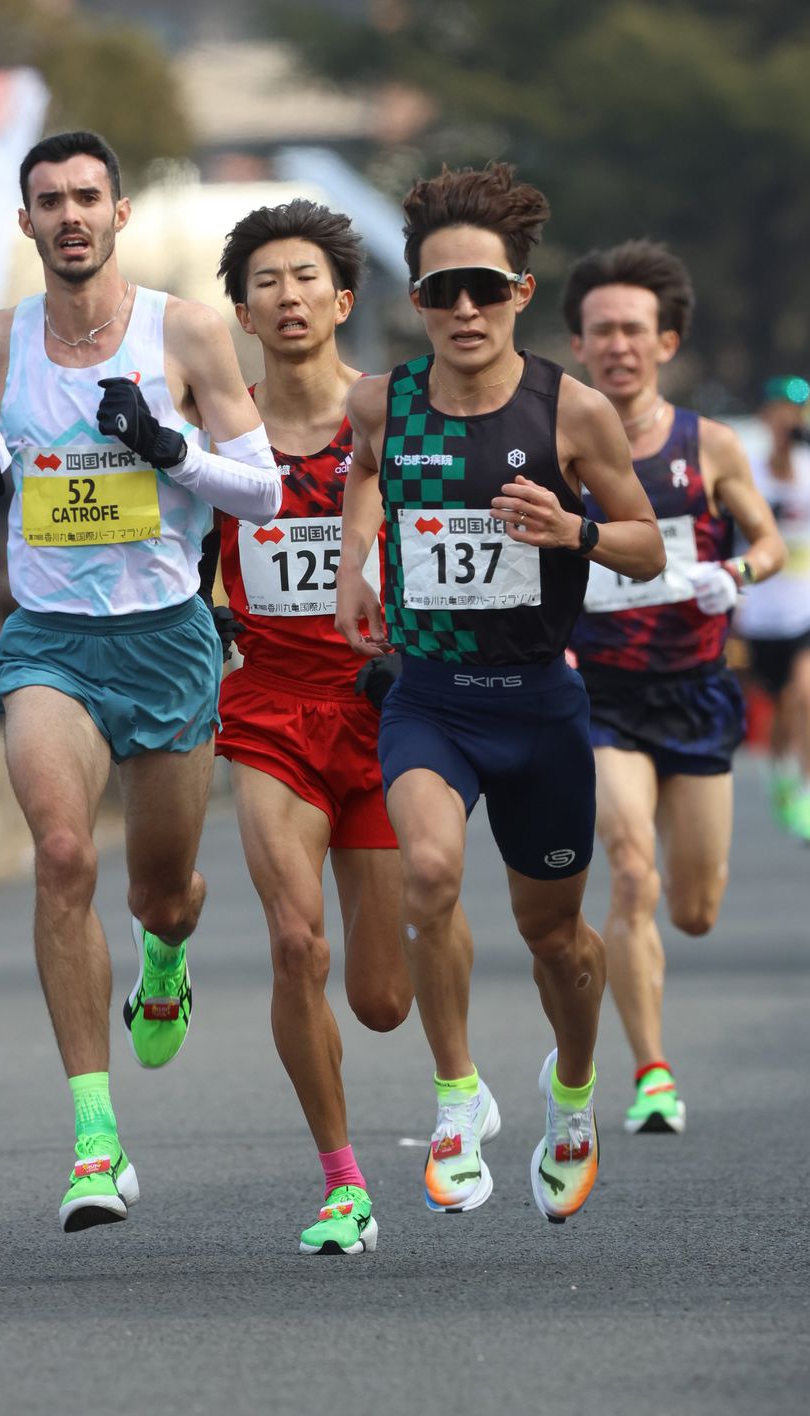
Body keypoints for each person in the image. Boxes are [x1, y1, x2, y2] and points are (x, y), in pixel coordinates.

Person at [0, 131, 281, 1232]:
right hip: (51, 640)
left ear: (120, 214)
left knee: (160, 886)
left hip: (168, 635)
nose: (71, 216)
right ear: (26, 222)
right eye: (51, 202)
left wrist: (174, 451)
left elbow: (264, 493)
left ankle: (168, 954)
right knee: (66, 852)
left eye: (89, 197)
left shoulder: (188, 331)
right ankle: (94, 1141)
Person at [335, 163, 665, 1225]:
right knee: (427, 871)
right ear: (416, 301)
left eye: (484, 288)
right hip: (433, 701)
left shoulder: (570, 409)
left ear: (522, 291)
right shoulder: (381, 403)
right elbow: (363, 478)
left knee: (556, 938)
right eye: (441, 292)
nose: (464, 310)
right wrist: (353, 568)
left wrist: (570, 530)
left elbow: (649, 547)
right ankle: (455, 1094)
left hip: (539, 707)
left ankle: (572, 1095)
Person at [200, 198, 413, 1255]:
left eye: (305, 279)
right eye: (265, 282)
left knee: (380, 999)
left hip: (383, 712)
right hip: (271, 706)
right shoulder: (216, 430)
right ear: (241, 309)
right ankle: (342, 1181)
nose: (286, 297)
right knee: (296, 945)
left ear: (343, 299)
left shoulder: (395, 414)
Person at [563, 240, 785, 1134]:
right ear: (575, 345)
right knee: (628, 873)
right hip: (599, 693)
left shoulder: (712, 445)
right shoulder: (556, 444)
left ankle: (654, 1035)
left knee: (693, 908)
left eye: (633, 330)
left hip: (693, 691)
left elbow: (771, 542)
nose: (617, 344)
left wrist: (736, 573)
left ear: (666, 341)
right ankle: (651, 1070)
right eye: (600, 330)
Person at [735, 376, 810, 844]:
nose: (788, 418)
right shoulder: (748, 474)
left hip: (806, 611)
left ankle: (808, 790)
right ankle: (783, 770)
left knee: (808, 696)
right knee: (783, 708)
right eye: (780, 409)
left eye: (796, 409)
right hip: (761, 615)